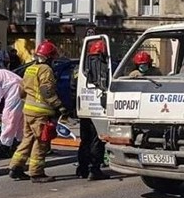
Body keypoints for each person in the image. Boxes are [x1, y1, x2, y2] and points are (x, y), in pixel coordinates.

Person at [9, 40, 68, 183]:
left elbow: (21, 91)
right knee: (41, 142)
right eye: (53, 58)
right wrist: (60, 107)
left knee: (27, 139)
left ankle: (16, 167)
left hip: (28, 111)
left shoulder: (30, 68)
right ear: (49, 57)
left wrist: (29, 101)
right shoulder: (45, 70)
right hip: (40, 112)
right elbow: (46, 91)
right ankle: (37, 173)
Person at [76, 40, 109, 180]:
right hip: (99, 109)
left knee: (85, 140)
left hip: (83, 109)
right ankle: (94, 169)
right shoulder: (104, 67)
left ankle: (82, 168)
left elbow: (73, 88)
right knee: (97, 140)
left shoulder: (81, 67)